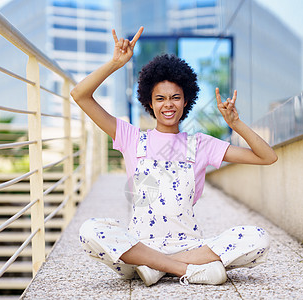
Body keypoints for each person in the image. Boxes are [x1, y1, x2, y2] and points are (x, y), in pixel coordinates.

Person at [72, 27, 278, 287]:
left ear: (185, 101)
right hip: (138, 249)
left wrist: (236, 124)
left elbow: (267, 157)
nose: (167, 104)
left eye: (175, 97)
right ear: (149, 102)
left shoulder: (201, 144)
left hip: (190, 246)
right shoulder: (131, 137)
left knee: (258, 238)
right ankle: (181, 269)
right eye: (160, 98)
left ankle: (156, 268)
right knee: (89, 230)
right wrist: (115, 63)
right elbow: (80, 94)